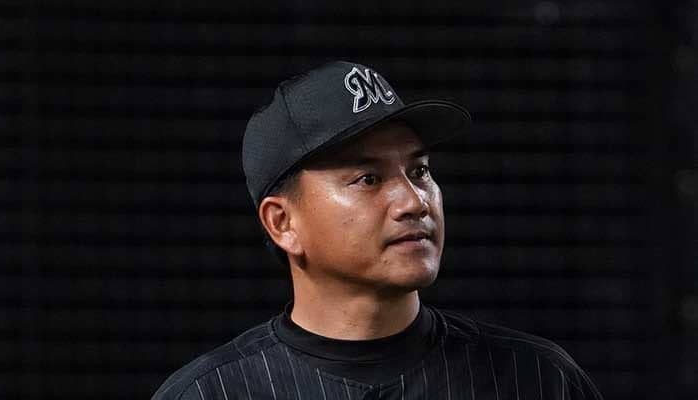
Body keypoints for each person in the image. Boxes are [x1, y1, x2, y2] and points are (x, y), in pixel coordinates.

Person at [151, 60, 604, 400]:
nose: (413, 201)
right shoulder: (211, 393)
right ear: (282, 223)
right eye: (368, 179)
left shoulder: (540, 380)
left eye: (419, 171)